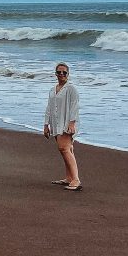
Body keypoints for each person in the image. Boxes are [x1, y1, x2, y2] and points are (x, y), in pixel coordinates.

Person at [44, 62, 81, 191]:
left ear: (68, 74)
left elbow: (74, 106)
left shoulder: (71, 88)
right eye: (59, 72)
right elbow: (49, 107)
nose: (61, 74)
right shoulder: (52, 90)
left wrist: (72, 123)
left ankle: (76, 179)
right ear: (55, 74)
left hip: (66, 123)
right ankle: (69, 177)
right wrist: (46, 124)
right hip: (55, 123)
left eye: (64, 72)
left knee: (64, 148)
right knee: (67, 149)